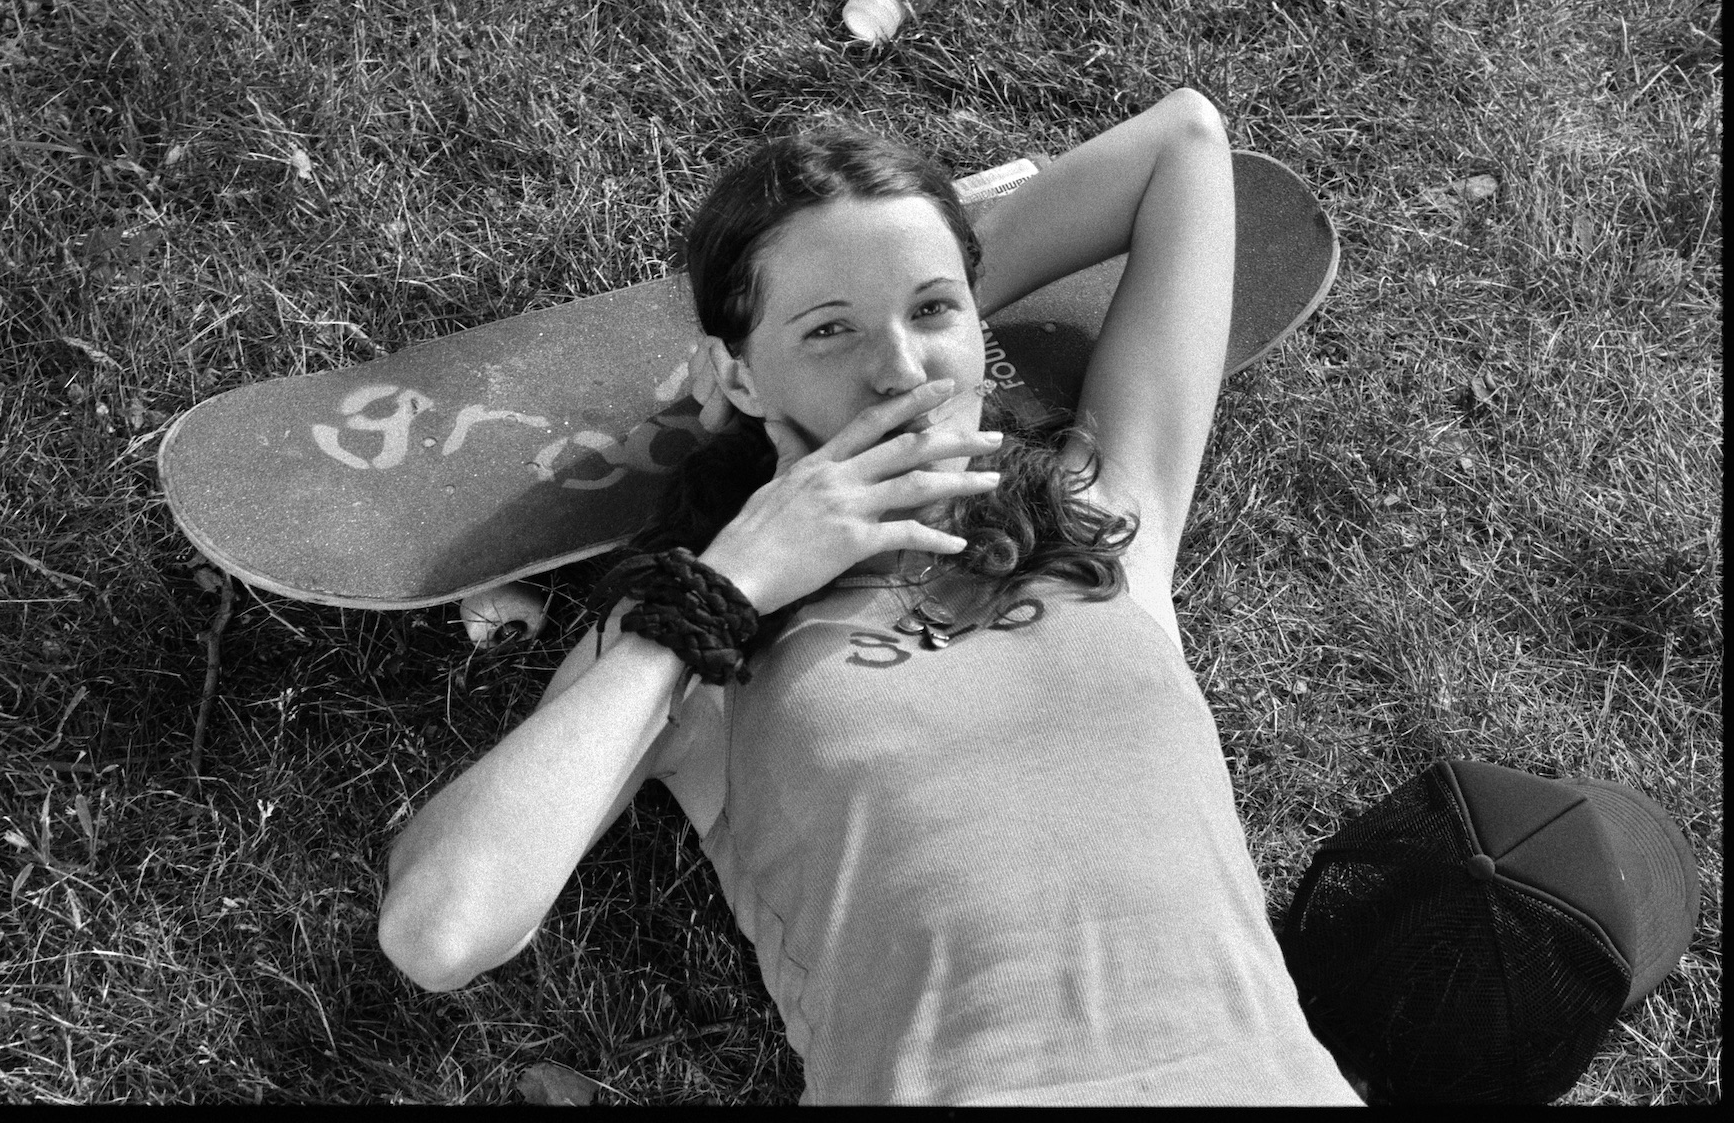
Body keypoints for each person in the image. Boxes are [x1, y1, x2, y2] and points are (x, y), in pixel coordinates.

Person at [377, 88, 1364, 1105]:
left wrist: (912, 285)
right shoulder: (700, 648)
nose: (897, 370)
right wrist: (728, 586)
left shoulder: (1106, 512)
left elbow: (1185, 143)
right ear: (743, 381)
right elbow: (438, 929)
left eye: (932, 313)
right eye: (829, 333)